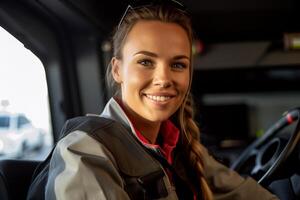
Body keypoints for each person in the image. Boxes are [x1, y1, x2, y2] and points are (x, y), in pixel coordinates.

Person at [27, 0, 279, 200]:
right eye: (145, 62)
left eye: (178, 64)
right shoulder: (84, 151)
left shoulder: (180, 148)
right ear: (117, 69)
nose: (164, 78)